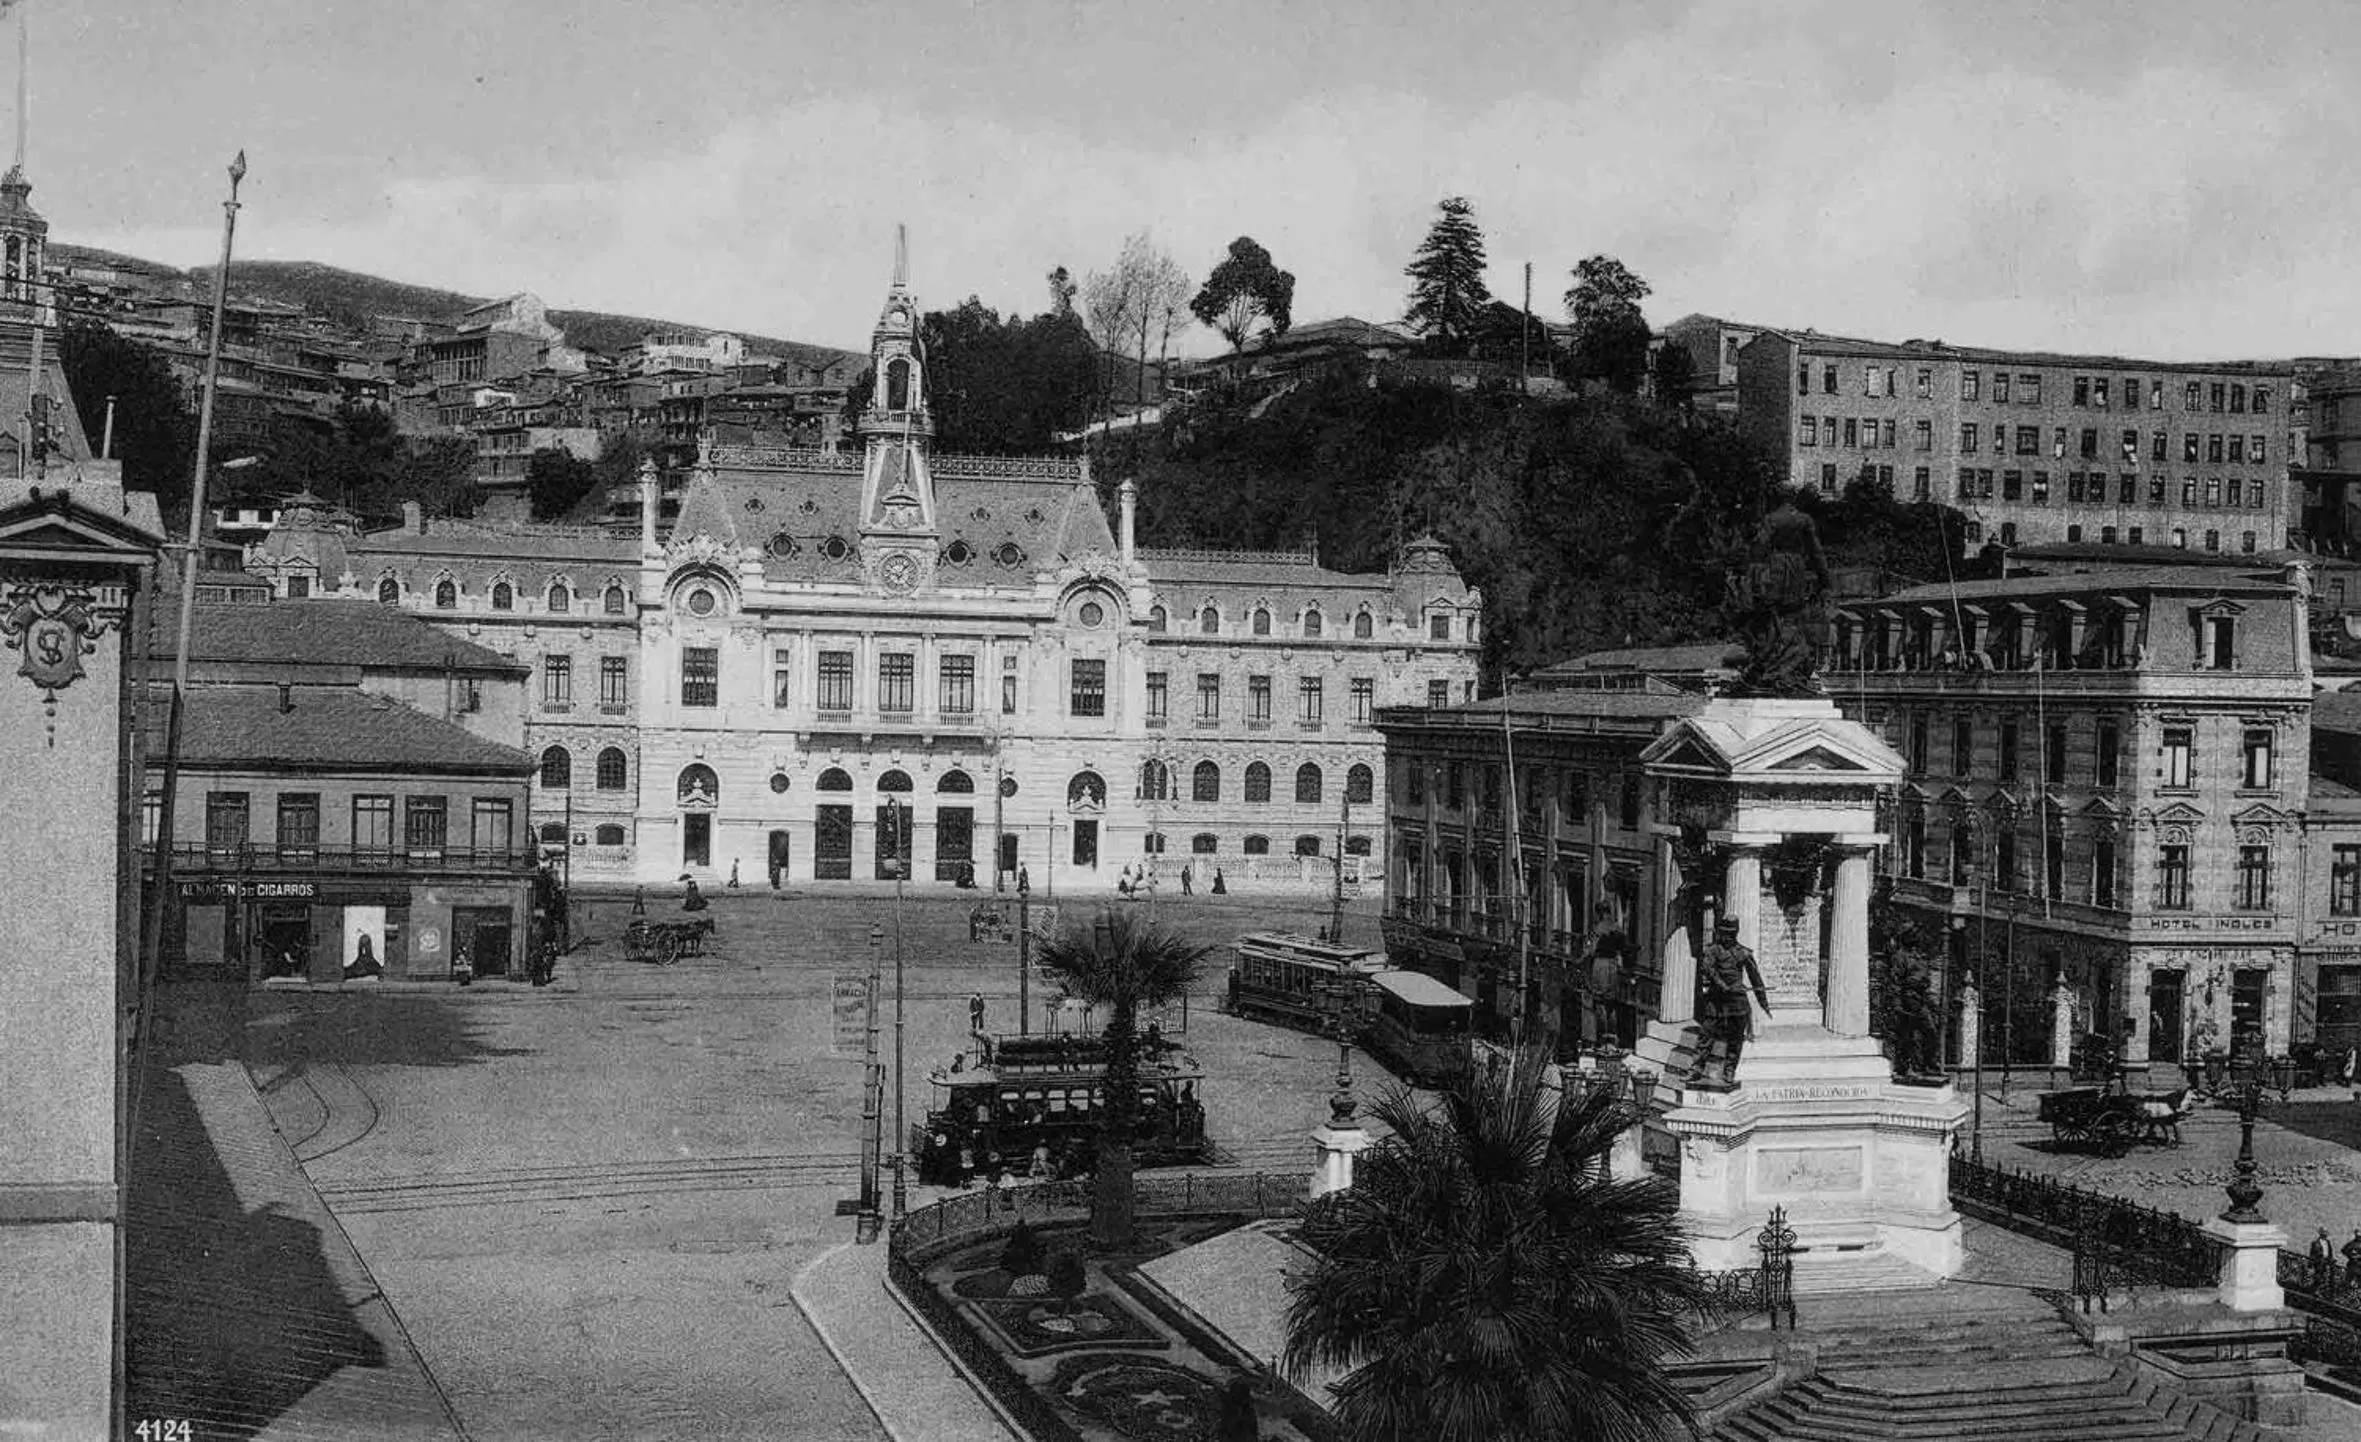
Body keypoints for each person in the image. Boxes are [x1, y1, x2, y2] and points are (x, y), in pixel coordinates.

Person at [1697, 918, 1771, 1088]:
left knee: (1735, 1039)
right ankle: (1696, 1068)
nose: (1726, 938)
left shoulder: (1743, 953)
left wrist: (1763, 1003)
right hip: (1716, 1000)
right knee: (1706, 1035)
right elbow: (1708, 969)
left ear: (1735, 934)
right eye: (1723, 933)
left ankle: (1729, 1071)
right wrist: (1722, 985)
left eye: (1730, 934)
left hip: (1737, 1001)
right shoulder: (1712, 950)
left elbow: (1756, 980)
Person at [2312, 1227, 2338, 1292]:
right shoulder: (2315, 1243)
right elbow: (2314, 1253)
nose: (2325, 1235)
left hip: (2327, 1261)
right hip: (2319, 1261)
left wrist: (2331, 1258)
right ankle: (2316, 1290)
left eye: (2326, 1234)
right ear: (2321, 1234)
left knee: (2329, 1276)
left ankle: (2328, 1289)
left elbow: (2330, 1252)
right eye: (2324, 1233)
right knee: (2318, 1276)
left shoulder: (2328, 1242)